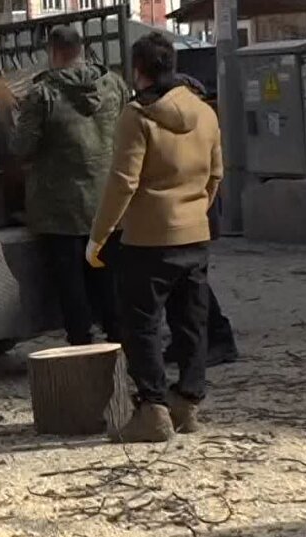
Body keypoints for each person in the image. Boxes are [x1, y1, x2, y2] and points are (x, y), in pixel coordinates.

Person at [87, 32, 223, 442]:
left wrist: (100, 235)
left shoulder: (138, 115)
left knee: (141, 324)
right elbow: (216, 175)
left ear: (138, 70)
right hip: (195, 235)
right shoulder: (205, 111)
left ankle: (152, 409)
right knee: (192, 322)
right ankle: (188, 400)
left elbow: (123, 182)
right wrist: (195, 210)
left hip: (148, 238)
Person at [13, 25, 128, 346]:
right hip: (107, 204)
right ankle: (121, 343)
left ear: (53, 52)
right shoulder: (114, 86)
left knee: (71, 286)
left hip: (59, 210)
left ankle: (83, 348)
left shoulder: (42, 94)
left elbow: (22, 146)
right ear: (83, 49)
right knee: (108, 281)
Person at [162, 74, 239, 368]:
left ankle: (218, 338)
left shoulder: (195, 121)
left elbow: (209, 172)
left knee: (192, 283)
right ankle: (187, 342)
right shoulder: (197, 117)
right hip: (188, 212)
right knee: (180, 283)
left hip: (191, 213)